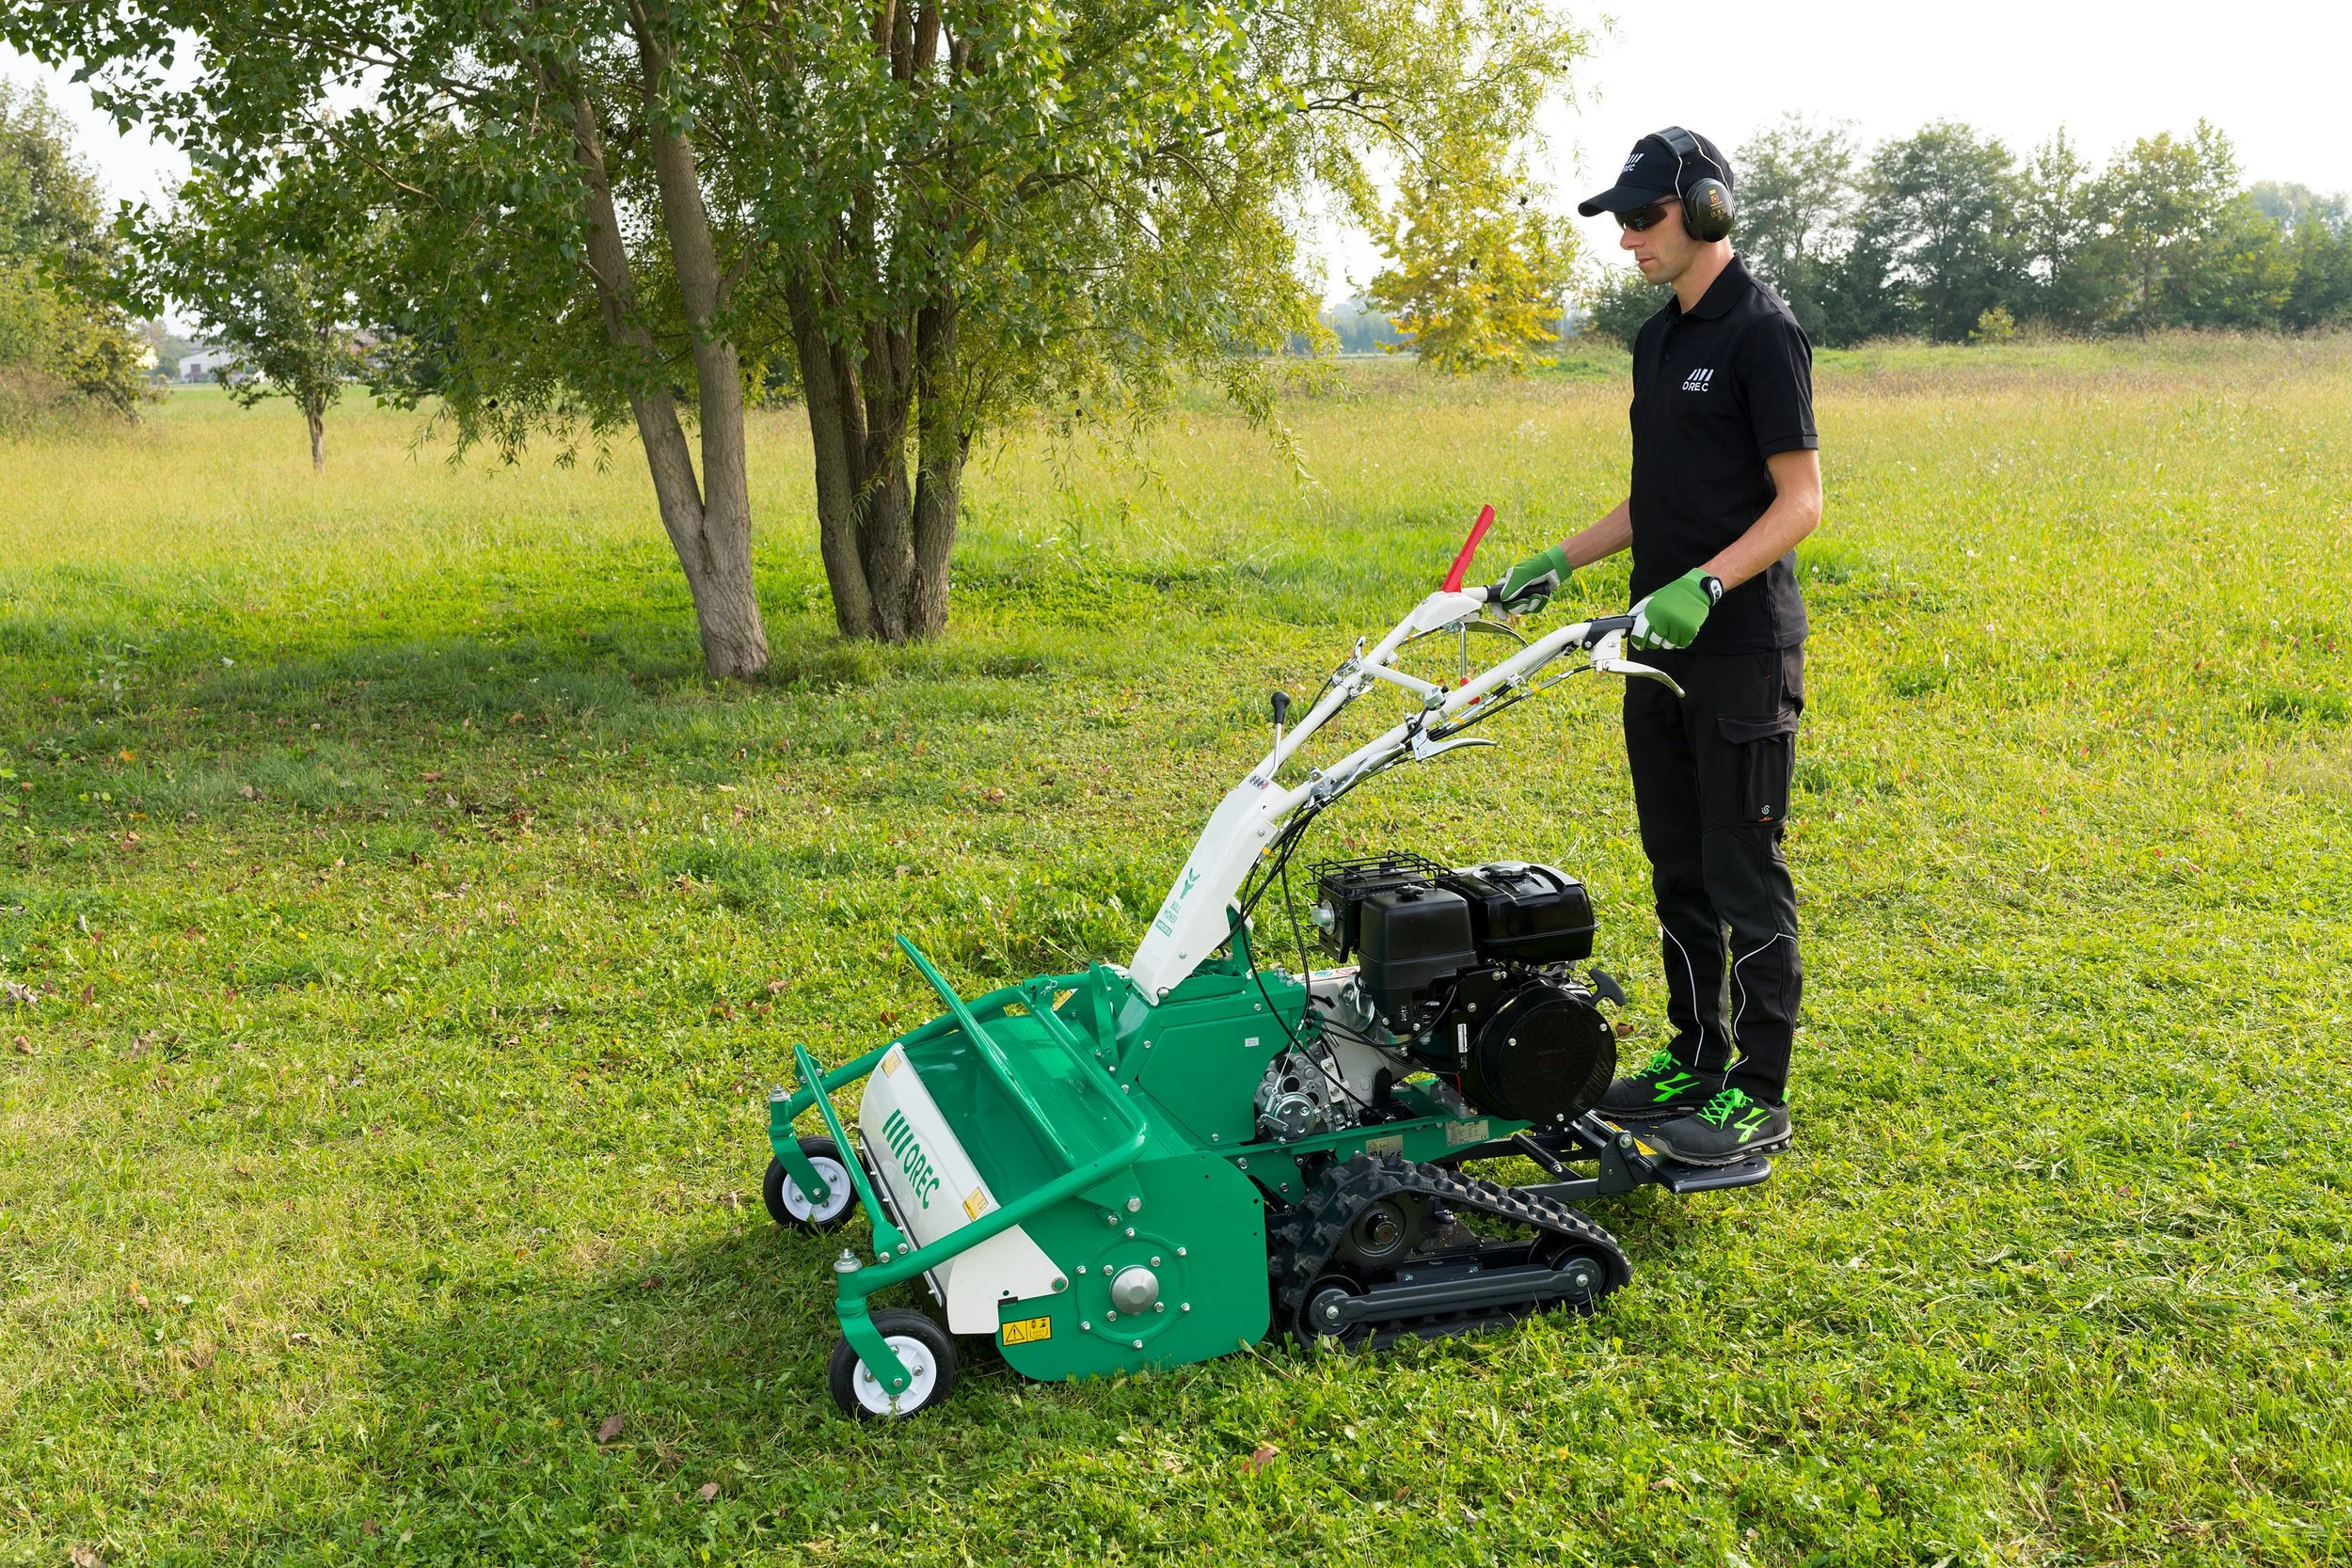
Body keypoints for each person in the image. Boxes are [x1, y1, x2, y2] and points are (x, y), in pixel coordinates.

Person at [1498, 127, 1820, 1165]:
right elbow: (1659, 497)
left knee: (1742, 866)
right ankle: (1694, 1052)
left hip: (1736, 652)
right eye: (1620, 221)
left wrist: (1712, 581)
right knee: (1675, 862)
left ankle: (1758, 1091)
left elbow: (1800, 501)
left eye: (1644, 218)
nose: (1628, 239)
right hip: (1654, 645)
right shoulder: (1656, 340)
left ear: (1707, 211)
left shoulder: (1762, 331)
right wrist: (1562, 556)